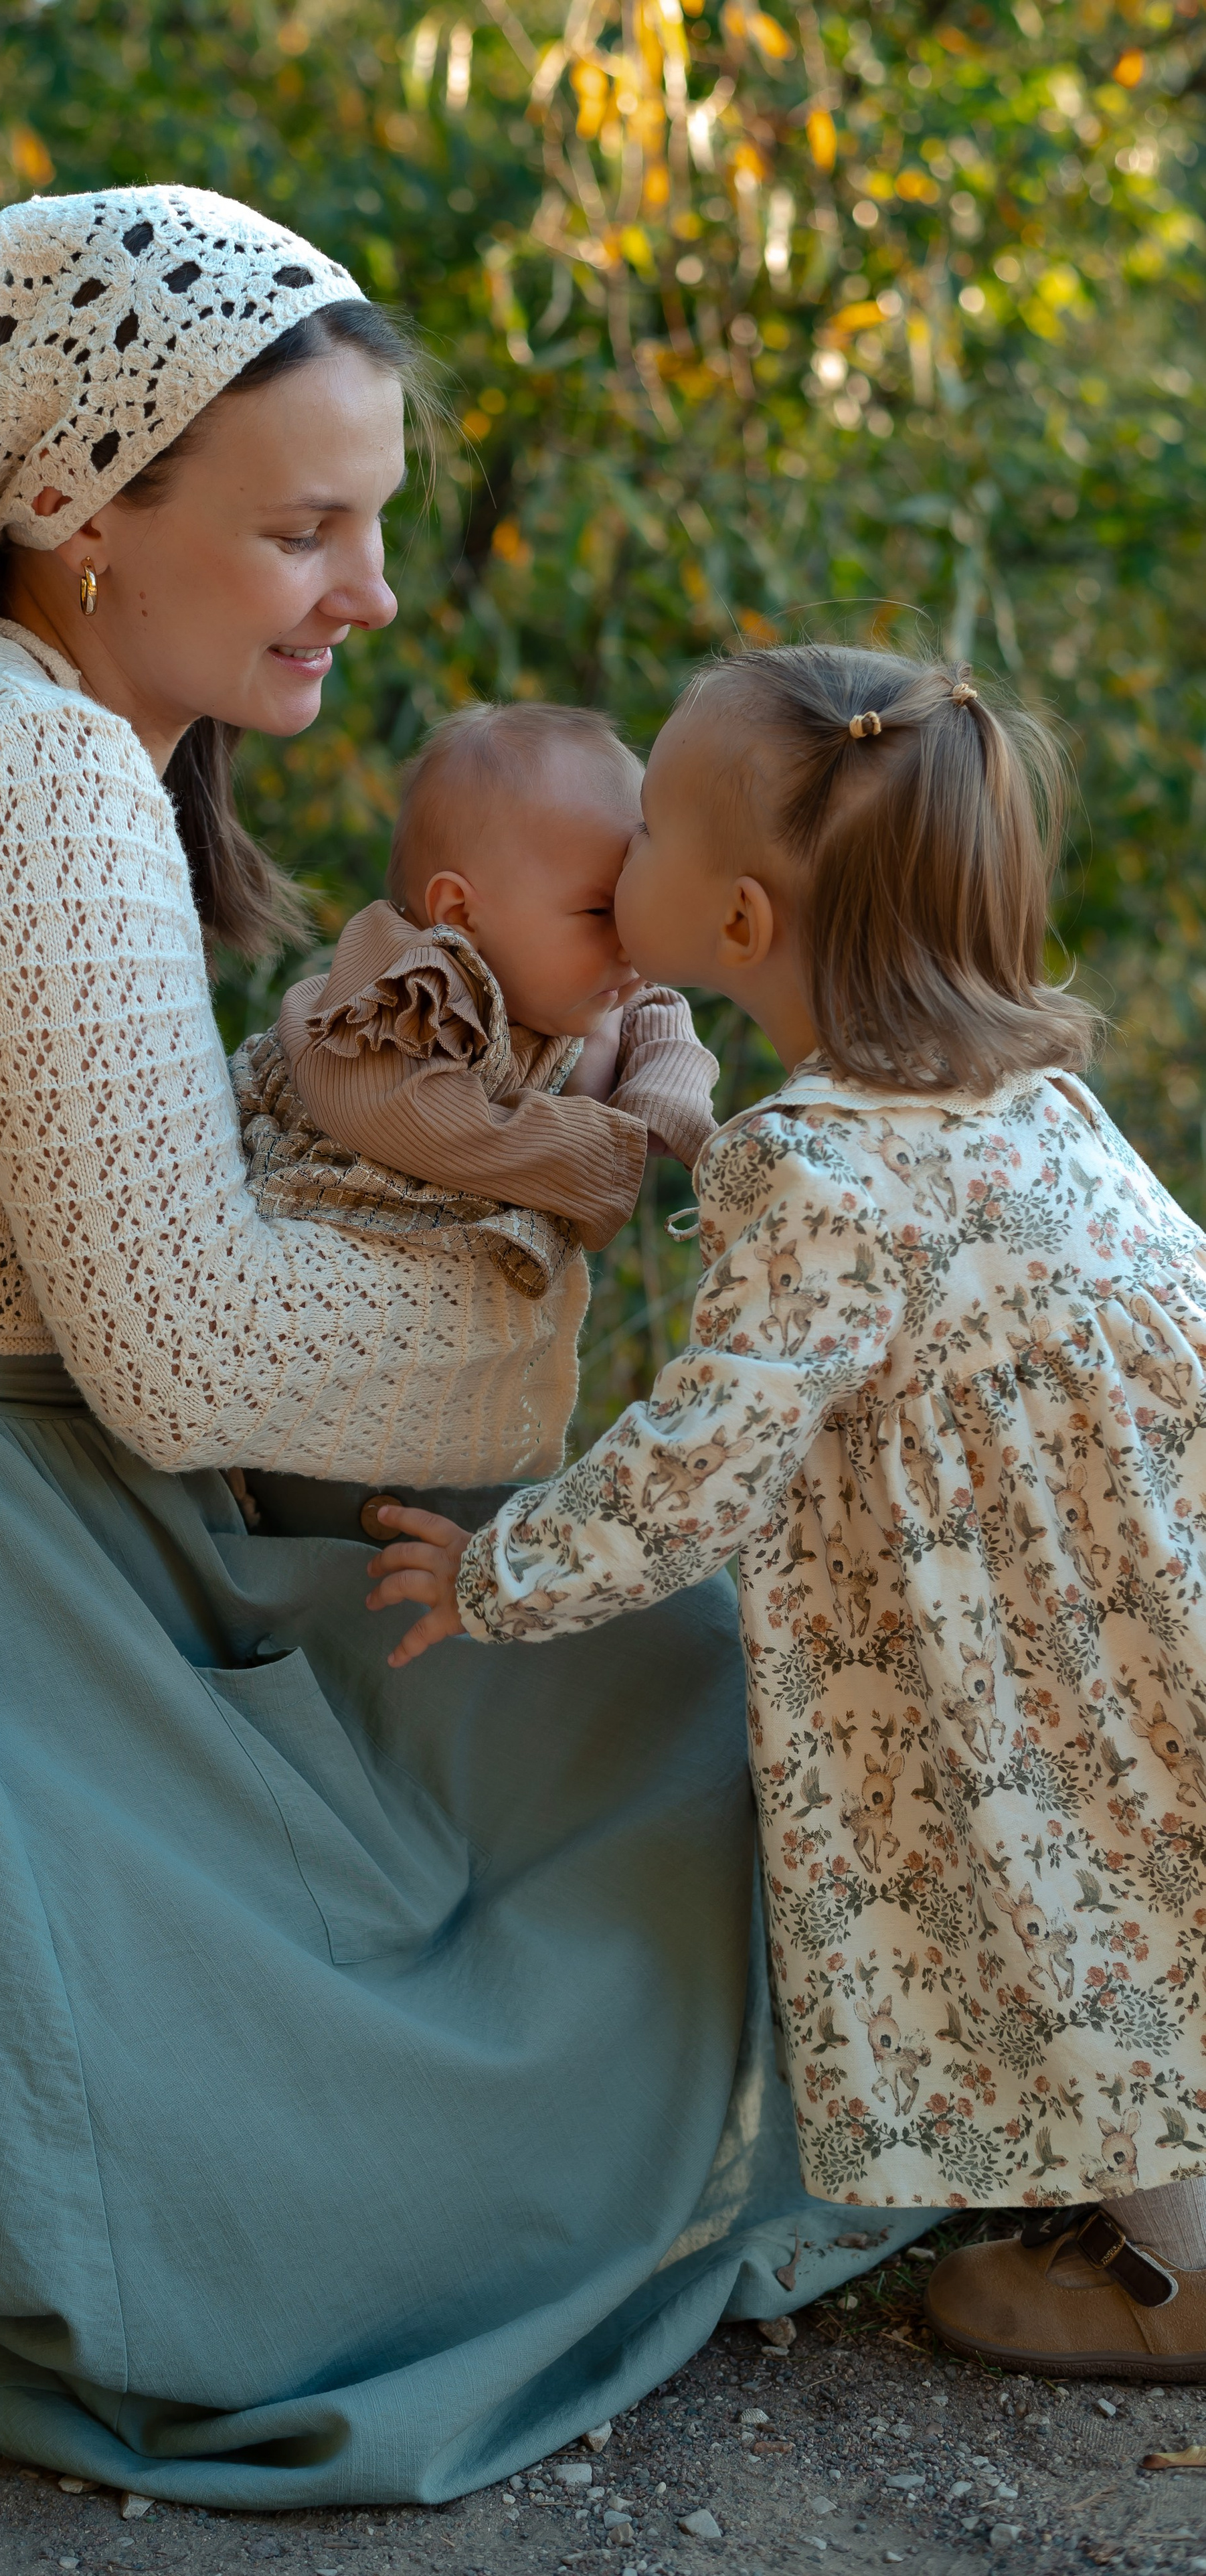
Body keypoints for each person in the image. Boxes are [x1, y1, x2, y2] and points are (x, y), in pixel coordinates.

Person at [0, 194, 928, 2494]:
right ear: (81, 515)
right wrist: (535, 1306)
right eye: (303, 530)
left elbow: (155, 1250)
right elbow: (180, 1348)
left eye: (368, 523)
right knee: (368, 2130)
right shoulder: (44, 779)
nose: (368, 592)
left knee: (605, 1686)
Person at [368, 640, 1206, 2381]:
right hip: (1159, 1565)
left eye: (653, 829)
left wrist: (505, 1569)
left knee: (1069, 1878)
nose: (617, 860)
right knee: (1159, 1868)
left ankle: (1178, 2265)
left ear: (740, 929)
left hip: (1042, 1636)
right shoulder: (1038, 1094)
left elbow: (708, 1454)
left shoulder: (815, 1167)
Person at [231, 702, 718, 1310]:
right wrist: (601, 1142)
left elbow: (656, 1007)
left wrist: (664, 1100)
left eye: (632, 910)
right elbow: (409, 1116)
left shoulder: (566, 977)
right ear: (461, 915)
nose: (628, 944)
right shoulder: (409, 992)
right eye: (600, 913)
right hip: (304, 1261)